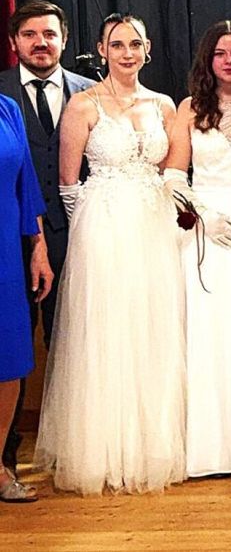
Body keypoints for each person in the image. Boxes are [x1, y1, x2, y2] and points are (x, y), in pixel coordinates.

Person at [35, 14, 186, 494]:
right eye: (117, 44)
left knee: (152, 328)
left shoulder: (164, 105)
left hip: (154, 227)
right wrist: (90, 233)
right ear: (101, 50)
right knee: (107, 332)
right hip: (102, 228)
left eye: (135, 44)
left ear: (148, 48)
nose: (127, 53)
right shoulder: (83, 105)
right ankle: (101, 449)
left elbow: (171, 170)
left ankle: (152, 445)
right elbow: (67, 183)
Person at [161, 20, 231, 479]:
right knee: (210, 334)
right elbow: (175, 175)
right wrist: (206, 215)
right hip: (207, 231)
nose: (229, 60)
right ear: (208, 58)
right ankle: (211, 448)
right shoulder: (190, 108)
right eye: (221, 53)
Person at [0, 0, 93, 477]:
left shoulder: (91, 93)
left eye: (50, 34)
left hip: (78, 238)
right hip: (11, 242)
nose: (41, 42)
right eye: (30, 34)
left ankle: (74, 453)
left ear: (65, 39)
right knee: (11, 350)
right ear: (15, 42)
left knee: (76, 343)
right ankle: (7, 457)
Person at [0, 91, 55, 502]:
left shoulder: (7, 108)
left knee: (10, 362)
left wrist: (37, 249)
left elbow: (27, 187)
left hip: (6, 255)